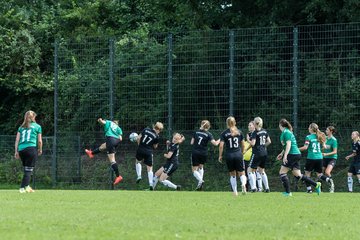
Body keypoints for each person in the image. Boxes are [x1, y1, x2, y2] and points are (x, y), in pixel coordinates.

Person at [277, 119, 321, 196]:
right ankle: (316, 184)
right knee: (298, 174)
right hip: (295, 154)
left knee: (282, 172)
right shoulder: (286, 132)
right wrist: (282, 153)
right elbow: (287, 146)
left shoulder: (286, 132)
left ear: (280, 125)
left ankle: (288, 192)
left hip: (292, 154)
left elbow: (289, 145)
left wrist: (285, 155)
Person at [85, 118, 123, 185]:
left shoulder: (109, 122)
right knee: (103, 146)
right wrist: (113, 143)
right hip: (116, 141)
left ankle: (118, 176)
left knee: (112, 160)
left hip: (110, 139)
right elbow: (120, 138)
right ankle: (91, 153)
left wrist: (100, 120)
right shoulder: (118, 128)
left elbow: (103, 122)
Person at [14, 110, 42, 193]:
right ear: (33, 117)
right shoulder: (37, 127)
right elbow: (39, 141)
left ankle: (27, 186)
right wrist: (40, 149)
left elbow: (17, 140)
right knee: (28, 170)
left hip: (21, 150)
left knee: (27, 169)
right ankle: (22, 188)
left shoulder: (21, 127)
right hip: (31, 149)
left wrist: (16, 151)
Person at [218, 116, 247, 196]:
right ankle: (243, 184)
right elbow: (243, 144)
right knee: (242, 173)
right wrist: (242, 152)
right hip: (238, 154)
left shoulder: (224, 133)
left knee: (232, 174)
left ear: (227, 123)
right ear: (235, 123)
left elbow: (221, 146)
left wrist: (220, 155)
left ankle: (235, 191)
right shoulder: (239, 132)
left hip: (229, 155)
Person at [299, 123, 329, 193]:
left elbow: (305, 147)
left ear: (311, 129)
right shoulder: (320, 136)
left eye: (309, 127)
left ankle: (309, 190)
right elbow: (324, 147)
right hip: (319, 158)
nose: (308, 129)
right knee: (319, 175)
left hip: (311, 158)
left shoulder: (308, 137)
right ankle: (328, 179)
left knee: (307, 174)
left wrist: (296, 149)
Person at [190, 120, 220, 191]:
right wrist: (220, 139)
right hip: (203, 153)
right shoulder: (209, 134)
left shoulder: (196, 132)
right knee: (201, 167)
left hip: (195, 152)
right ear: (209, 127)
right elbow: (215, 144)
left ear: (201, 124)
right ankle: (200, 185)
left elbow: (191, 142)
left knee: (194, 170)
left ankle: (200, 180)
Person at [134, 122, 164, 190]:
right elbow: (155, 146)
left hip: (140, 149)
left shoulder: (146, 129)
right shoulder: (156, 136)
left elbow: (138, 138)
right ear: (159, 130)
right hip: (149, 152)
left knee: (138, 162)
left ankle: (139, 175)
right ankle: (150, 184)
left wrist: (139, 145)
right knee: (150, 168)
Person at [247, 117, 271, 193]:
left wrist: (248, 140)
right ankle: (267, 188)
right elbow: (269, 141)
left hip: (257, 153)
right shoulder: (264, 131)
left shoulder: (255, 132)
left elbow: (253, 143)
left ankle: (254, 188)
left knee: (249, 170)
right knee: (261, 170)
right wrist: (263, 146)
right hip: (264, 153)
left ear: (255, 123)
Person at [322, 126, 337, 193]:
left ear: (331, 131)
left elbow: (335, 152)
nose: (326, 131)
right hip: (325, 158)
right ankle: (320, 187)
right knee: (320, 172)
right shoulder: (325, 138)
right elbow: (324, 148)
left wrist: (326, 154)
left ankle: (332, 185)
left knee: (327, 172)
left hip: (332, 158)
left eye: (327, 130)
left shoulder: (334, 140)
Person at [243, 121, 255, 191]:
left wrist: (248, 140)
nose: (249, 126)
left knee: (253, 173)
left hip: (252, 159)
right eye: (248, 125)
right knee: (246, 174)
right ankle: (246, 188)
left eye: (250, 125)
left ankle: (256, 187)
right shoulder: (244, 142)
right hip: (245, 160)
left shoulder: (254, 140)